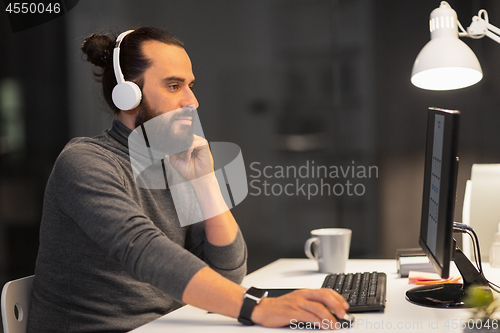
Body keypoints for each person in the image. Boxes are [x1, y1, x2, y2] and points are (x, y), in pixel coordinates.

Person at [27, 27, 349, 333]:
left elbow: (227, 273)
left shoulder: (172, 166)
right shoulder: (85, 163)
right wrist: (259, 307)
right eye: (173, 86)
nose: (192, 102)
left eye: (190, 86)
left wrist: (205, 182)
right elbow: (143, 250)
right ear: (127, 96)